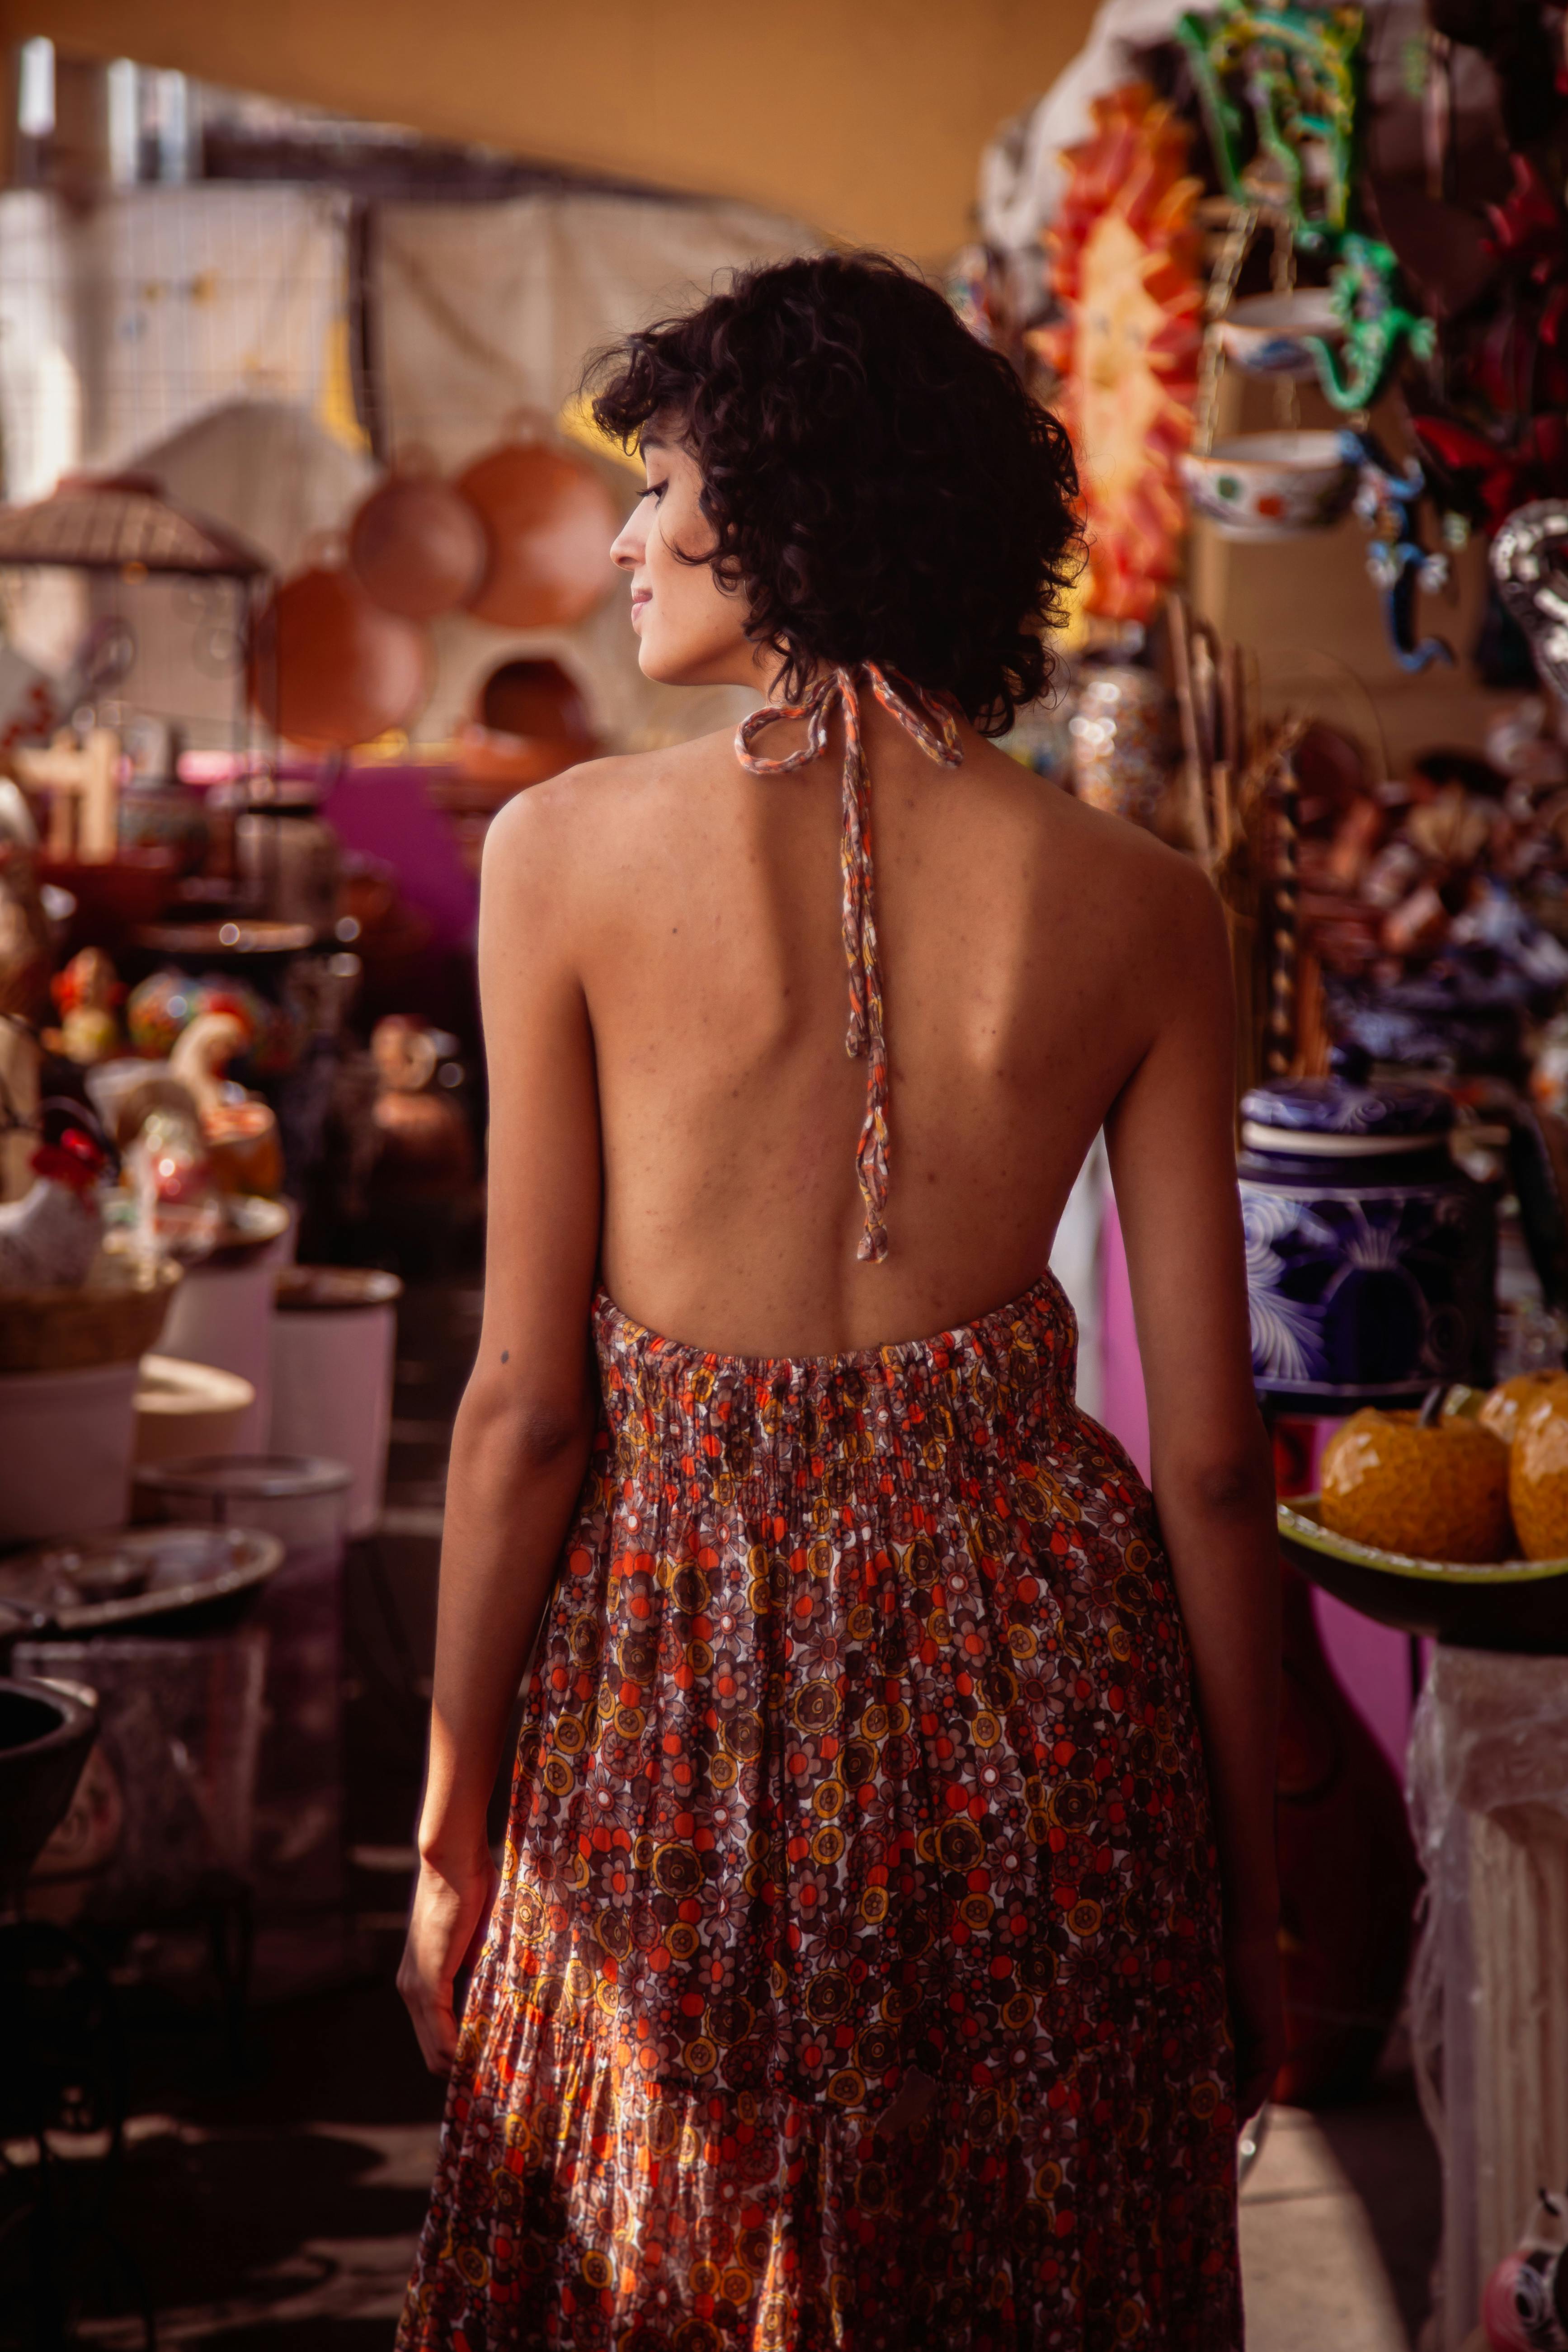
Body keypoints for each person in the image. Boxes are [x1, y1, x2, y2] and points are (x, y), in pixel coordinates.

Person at [398, 252, 1281, 2352]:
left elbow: (525, 1404)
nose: (625, 533)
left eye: (664, 480)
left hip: (665, 1690)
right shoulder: (1150, 909)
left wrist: (451, 1814)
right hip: (1044, 1697)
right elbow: (1220, 1464)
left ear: (786, 513)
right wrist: (1251, 1892)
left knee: (666, 2241)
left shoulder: (558, 856)